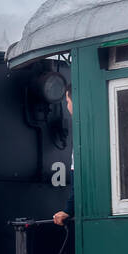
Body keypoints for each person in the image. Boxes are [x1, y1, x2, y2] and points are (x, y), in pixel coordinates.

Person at [54, 89, 75, 225]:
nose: (67, 107)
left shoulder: (82, 134)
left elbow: (79, 179)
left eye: (68, 102)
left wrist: (68, 209)